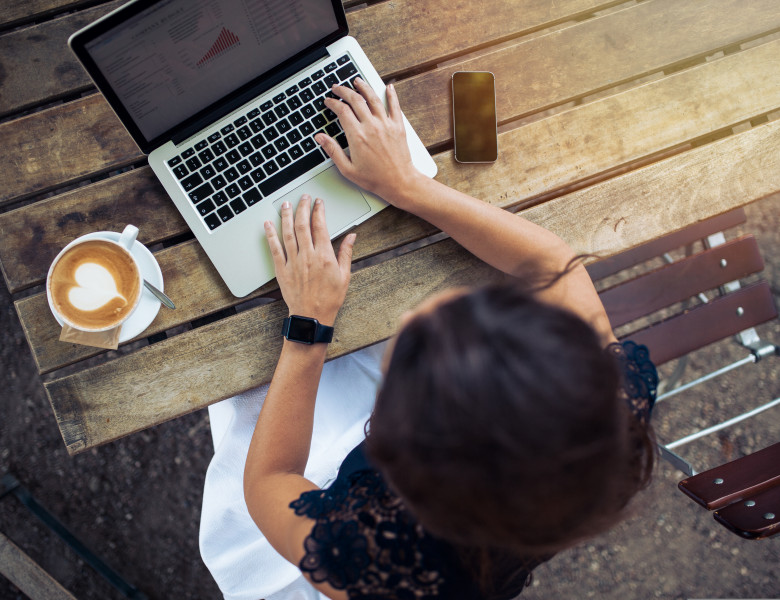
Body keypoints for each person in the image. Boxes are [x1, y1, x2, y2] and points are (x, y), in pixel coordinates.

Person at [199, 78, 658, 600]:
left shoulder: (371, 558)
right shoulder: (605, 410)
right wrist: (409, 185)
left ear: (398, 442)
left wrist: (309, 323)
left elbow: (268, 483)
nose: (421, 309)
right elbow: (554, 266)